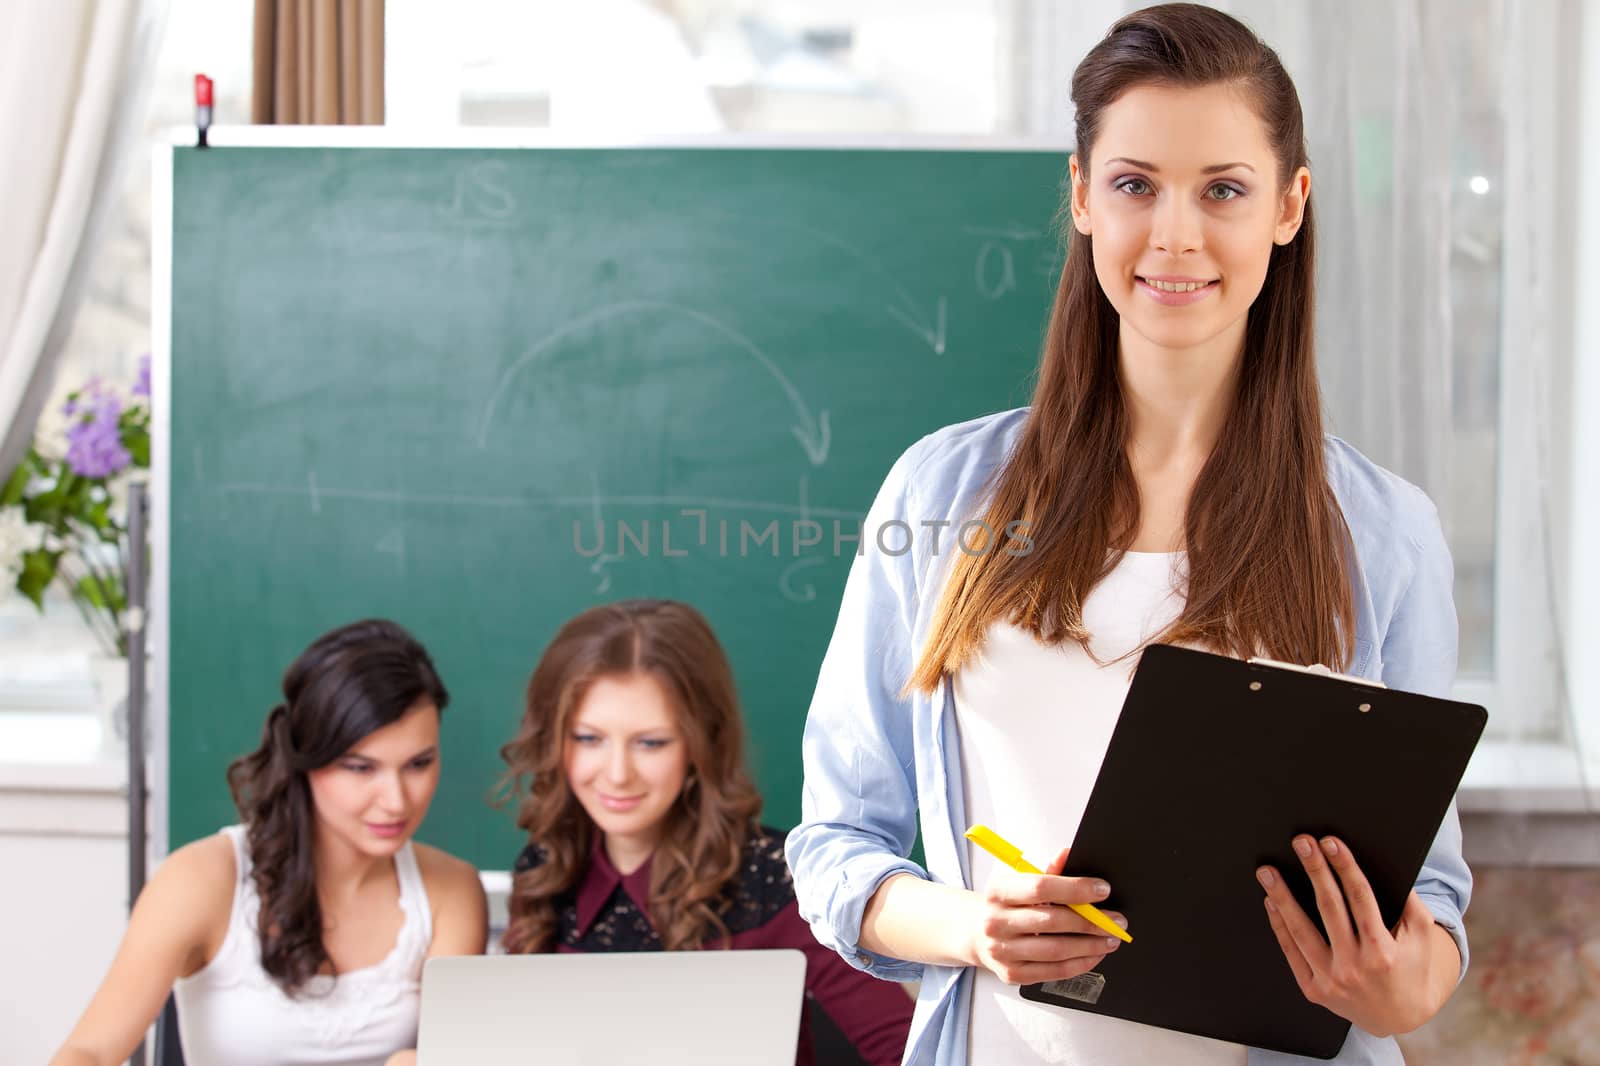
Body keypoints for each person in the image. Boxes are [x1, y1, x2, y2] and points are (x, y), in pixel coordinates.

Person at [785, 5, 1472, 1065]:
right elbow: (837, 843)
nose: (1175, 234)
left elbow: (1425, 908)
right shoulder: (943, 495)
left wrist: (1389, 986)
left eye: (1224, 190)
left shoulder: (1380, 532)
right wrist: (976, 926)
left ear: (1290, 206)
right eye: (1134, 184)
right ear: (1080, 195)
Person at [50, 619, 488, 1066]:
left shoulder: (450, 892)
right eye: (360, 768)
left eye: (418, 764)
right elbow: (91, 1051)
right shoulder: (201, 879)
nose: (396, 801)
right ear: (306, 758)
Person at [499, 599, 914, 1066]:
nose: (617, 774)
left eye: (651, 742)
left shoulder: (781, 880)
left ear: (701, 742)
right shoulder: (545, 870)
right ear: (555, 739)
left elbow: (905, 1052)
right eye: (588, 738)